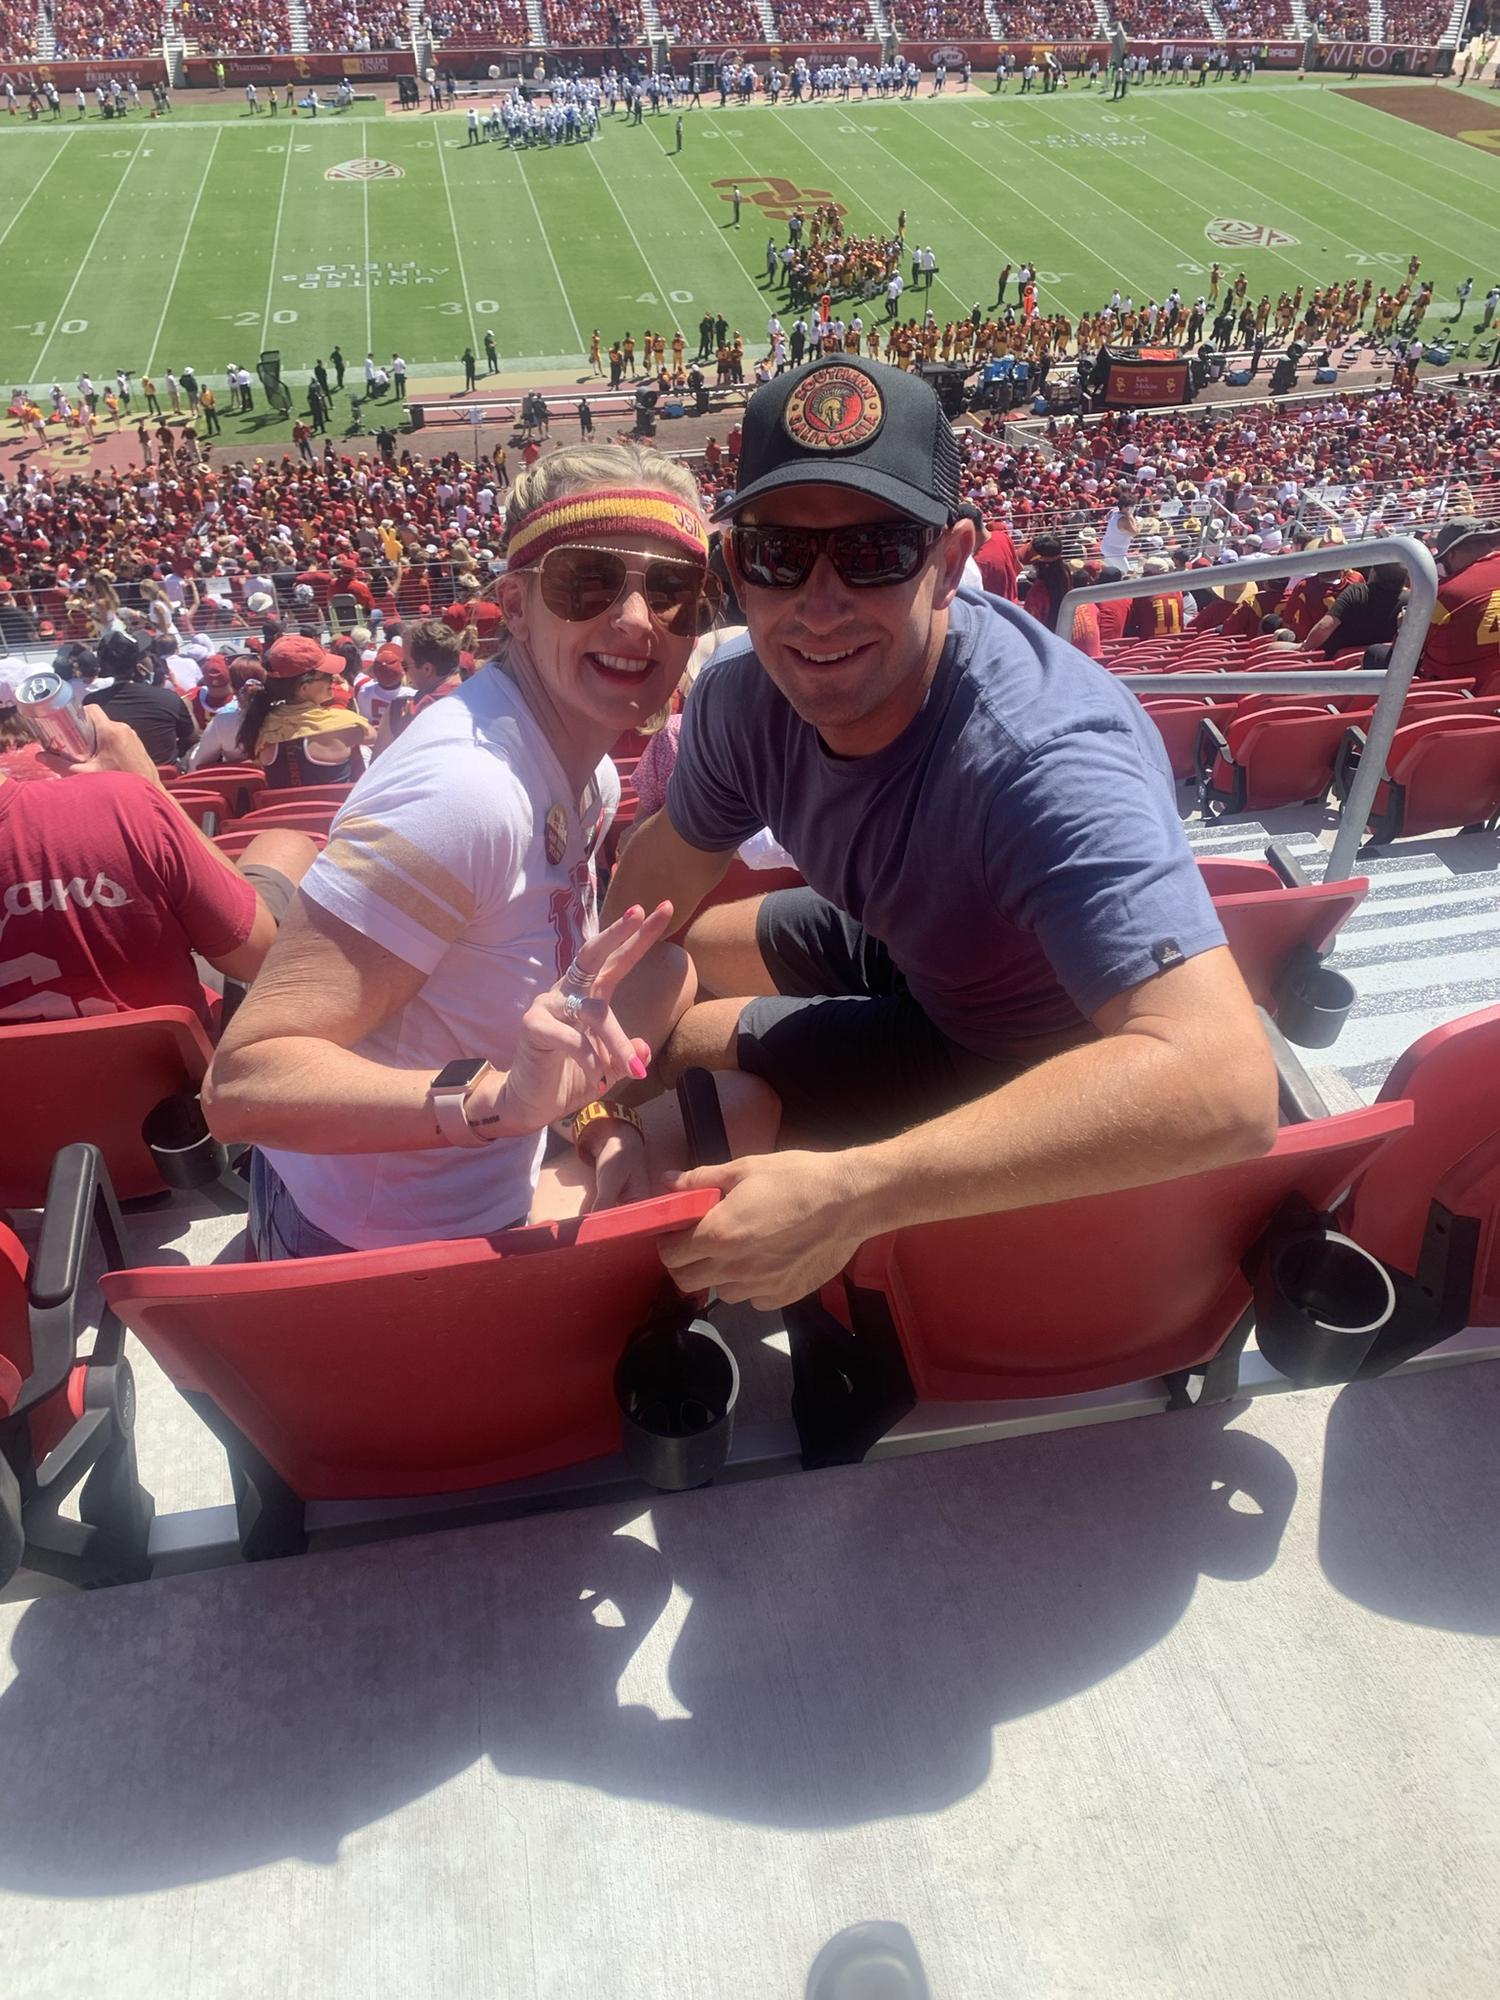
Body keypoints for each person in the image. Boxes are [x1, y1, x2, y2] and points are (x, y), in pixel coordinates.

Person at [601, 357, 1276, 1307]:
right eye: (778, 555)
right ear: (735, 571)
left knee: (684, 1045)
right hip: (919, 937)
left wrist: (858, 1192)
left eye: (875, 551)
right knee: (680, 965)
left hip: (1027, 1051)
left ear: (950, 563)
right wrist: (571, 996)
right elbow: (658, 882)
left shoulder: (1044, 761)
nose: (819, 604)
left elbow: (1225, 1086)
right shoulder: (742, 697)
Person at [203, 442, 776, 1256]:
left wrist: (591, 1115)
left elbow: (556, 992)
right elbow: (240, 1086)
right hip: (377, 1247)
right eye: (589, 581)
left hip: (471, 1175)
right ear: (514, 605)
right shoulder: (464, 794)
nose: (639, 620)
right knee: (750, 1112)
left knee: (669, 973)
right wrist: (496, 1103)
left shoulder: (587, 779)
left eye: (674, 590)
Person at [0, 694, 313, 1028]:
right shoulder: (120, 802)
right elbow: (256, 957)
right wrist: (152, 789)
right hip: (178, 1070)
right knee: (287, 843)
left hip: (17, 1076)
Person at [235, 634, 374, 788]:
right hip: (335, 810)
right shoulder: (343, 723)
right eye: (327, 676)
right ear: (304, 688)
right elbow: (379, 739)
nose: (334, 679)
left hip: (281, 811)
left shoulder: (262, 725)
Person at [83, 629, 195, 765]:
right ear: (138, 665)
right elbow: (192, 739)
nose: (151, 658)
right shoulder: (169, 698)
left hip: (118, 782)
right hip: (163, 782)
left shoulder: (91, 704)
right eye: (146, 654)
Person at [1417, 518, 1500, 681]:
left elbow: (1407, 647)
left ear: (1451, 554)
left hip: (1457, 691)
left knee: (1377, 654)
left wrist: (1403, 625)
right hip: (1492, 690)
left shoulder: (1444, 594)